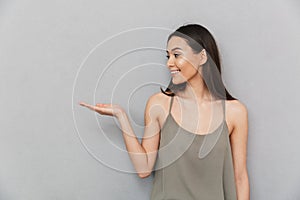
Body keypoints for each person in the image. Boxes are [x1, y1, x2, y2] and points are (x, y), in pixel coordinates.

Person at [79, 24, 250, 200]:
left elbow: (240, 177)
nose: (169, 63)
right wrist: (121, 116)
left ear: (202, 56)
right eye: (168, 56)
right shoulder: (160, 104)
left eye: (177, 55)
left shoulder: (235, 112)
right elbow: (144, 169)